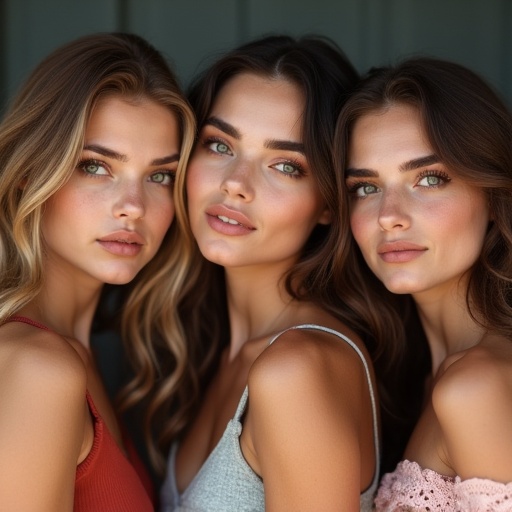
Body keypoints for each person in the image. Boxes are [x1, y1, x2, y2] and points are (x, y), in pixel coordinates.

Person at [145, 34, 385, 512]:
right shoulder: (216, 352)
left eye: (284, 165)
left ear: (328, 204)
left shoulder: (298, 368)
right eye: (219, 144)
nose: (236, 184)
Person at [0, 32, 195, 511]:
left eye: (159, 176)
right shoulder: (39, 368)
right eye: (96, 166)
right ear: (31, 173)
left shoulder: (78, 355)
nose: (132, 207)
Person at [337, 57, 512, 510]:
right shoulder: (410, 378)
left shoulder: (478, 387)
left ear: (492, 196)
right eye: (366, 187)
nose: (389, 216)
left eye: (429, 179)